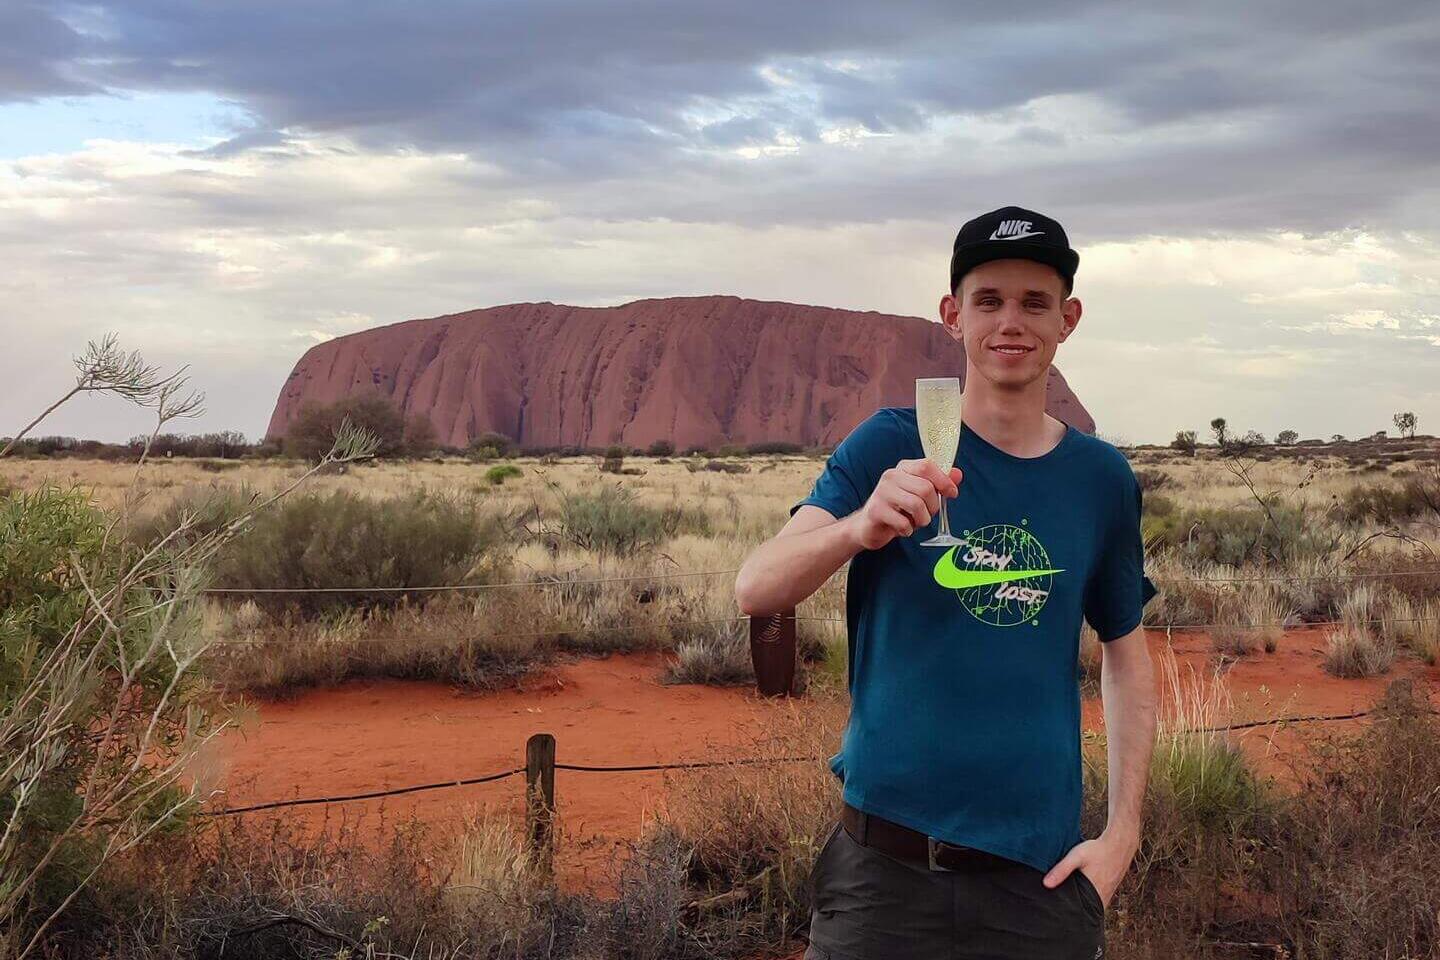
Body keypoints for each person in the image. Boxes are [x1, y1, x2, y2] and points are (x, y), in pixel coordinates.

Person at [734, 205, 1159, 960]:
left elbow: (1127, 654)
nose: (1011, 322)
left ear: (1069, 318)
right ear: (952, 314)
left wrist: (1121, 836)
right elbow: (757, 588)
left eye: (1035, 303)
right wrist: (857, 527)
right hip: (883, 878)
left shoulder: (1099, 479)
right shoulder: (890, 445)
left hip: (1040, 883)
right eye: (988, 300)